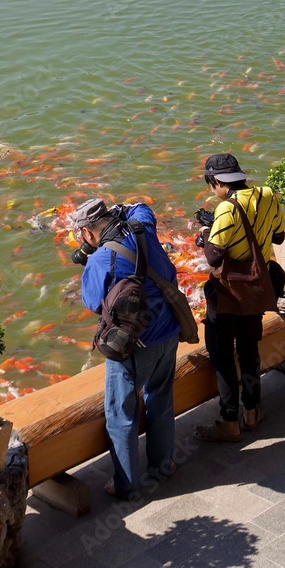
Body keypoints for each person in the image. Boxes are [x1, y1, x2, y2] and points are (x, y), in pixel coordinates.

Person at [73, 198, 181, 500]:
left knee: (120, 413)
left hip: (135, 345)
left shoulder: (100, 259)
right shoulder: (143, 227)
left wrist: (92, 262)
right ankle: (162, 466)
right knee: (160, 399)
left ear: (86, 233)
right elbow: (142, 206)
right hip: (170, 332)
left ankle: (127, 484)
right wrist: (120, 208)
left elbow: (94, 303)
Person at [194, 153, 283, 442]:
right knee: (248, 349)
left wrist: (206, 231)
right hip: (257, 289)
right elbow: (278, 237)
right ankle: (252, 412)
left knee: (221, 355)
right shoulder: (268, 194)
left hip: (228, 293)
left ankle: (230, 421)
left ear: (216, 182)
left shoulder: (226, 208)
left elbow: (213, 256)